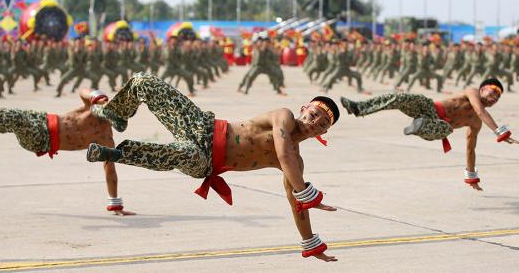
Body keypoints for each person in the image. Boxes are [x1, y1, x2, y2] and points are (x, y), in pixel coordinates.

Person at [87, 72, 340, 262]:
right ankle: (117, 113)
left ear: (323, 133)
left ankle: (116, 153)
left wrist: (310, 242)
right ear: (303, 108)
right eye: (314, 114)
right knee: (145, 81)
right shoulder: (283, 117)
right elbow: (283, 151)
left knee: (180, 153)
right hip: (202, 126)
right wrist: (307, 194)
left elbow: (295, 204)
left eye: (322, 124)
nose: (314, 122)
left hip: (205, 161)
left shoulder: (297, 164)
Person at [0, 89, 134, 216]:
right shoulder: (92, 107)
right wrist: (98, 96)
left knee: (10, 118)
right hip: (40, 118)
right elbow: (82, 90)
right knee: (3, 116)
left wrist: (115, 205)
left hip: (42, 139)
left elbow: (110, 173)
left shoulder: (105, 140)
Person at [340, 78, 518, 191]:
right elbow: (480, 110)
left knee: (445, 129)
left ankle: (419, 126)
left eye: (498, 96)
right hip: (430, 107)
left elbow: (470, 150)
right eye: (493, 91)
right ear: (482, 89)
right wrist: (499, 132)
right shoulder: (471, 92)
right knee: (400, 98)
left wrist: (472, 177)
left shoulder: (476, 124)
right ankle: (358, 107)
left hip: (436, 126)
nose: (494, 96)